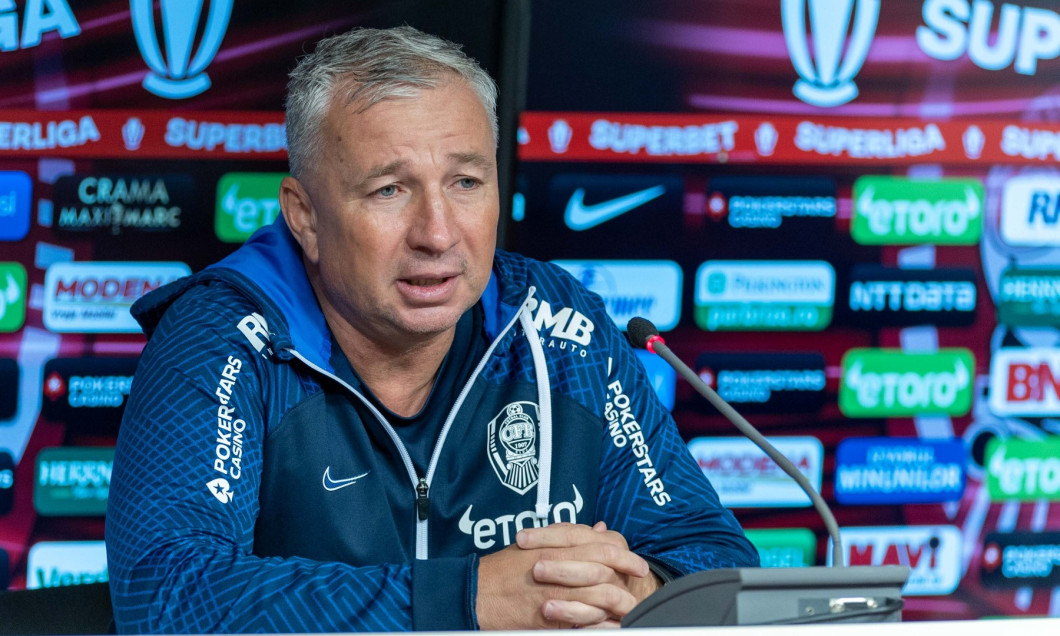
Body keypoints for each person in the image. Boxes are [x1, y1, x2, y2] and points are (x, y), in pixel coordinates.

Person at [105, 25, 758, 633]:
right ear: (304, 216)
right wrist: (466, 598)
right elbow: (165, 591)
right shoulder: (223, 337)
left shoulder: (560, 328)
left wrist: (639, 593)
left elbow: (714, 558)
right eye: (390, 190)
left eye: (466, 182)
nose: (439, 234)